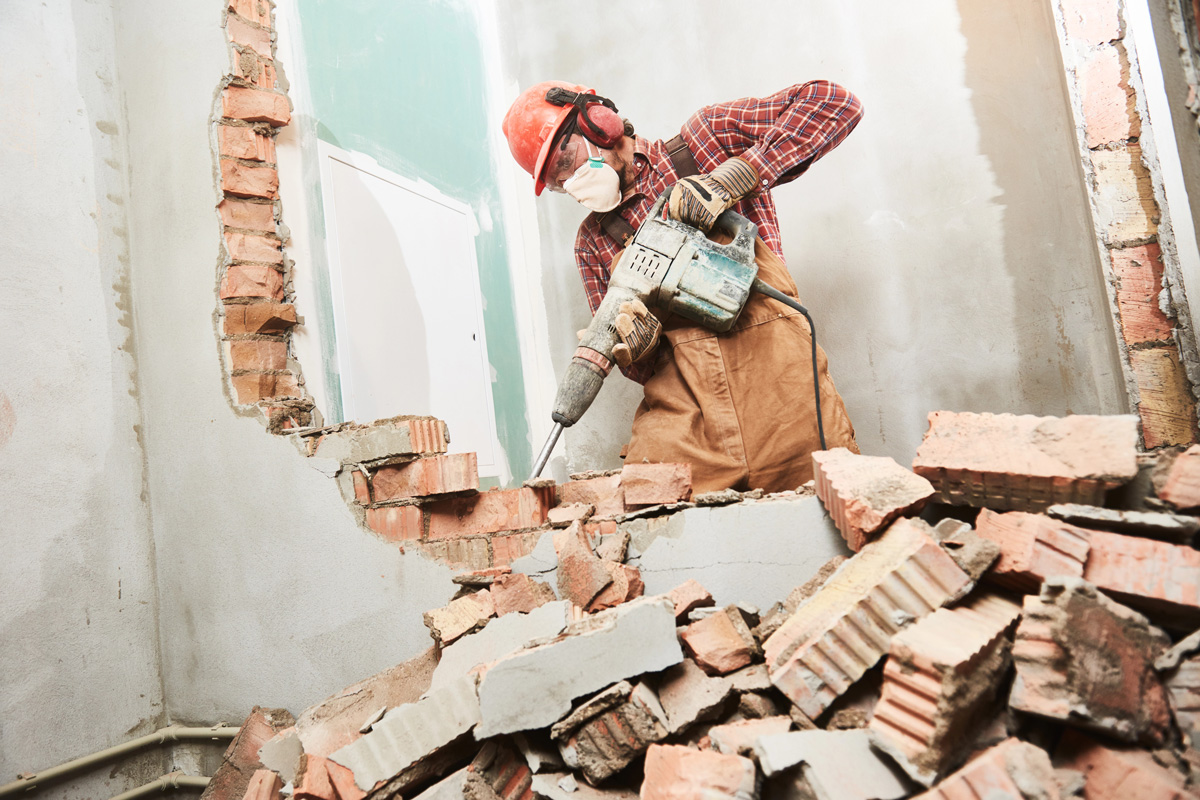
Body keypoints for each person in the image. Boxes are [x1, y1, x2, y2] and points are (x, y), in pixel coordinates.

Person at [502, 80, 863, 493]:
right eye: (555, 182)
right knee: (654, 521)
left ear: (599, 123)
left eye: (564, 162)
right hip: (689, 418)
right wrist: (639, 345)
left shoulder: (704, 142)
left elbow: (836, 105)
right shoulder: (593, 241)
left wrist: (737, 176)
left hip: (783, 395)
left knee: (830, 514)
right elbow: (638, 367)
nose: (569, 184)